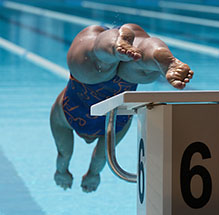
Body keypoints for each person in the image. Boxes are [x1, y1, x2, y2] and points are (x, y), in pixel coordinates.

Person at [50, 23, 194, 193]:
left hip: (83, 96)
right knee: (138, 61)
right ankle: (154, 54)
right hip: (122, 85)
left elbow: (65, 155)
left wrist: (63, 172)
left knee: (97, 62)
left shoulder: (61, 117)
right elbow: (101, 156)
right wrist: (93, 174)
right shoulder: (116, 126)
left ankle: (114, 45)